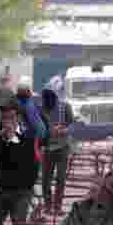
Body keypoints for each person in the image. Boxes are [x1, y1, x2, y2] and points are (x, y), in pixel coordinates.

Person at [38, 84, 75, 216]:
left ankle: (57, 206)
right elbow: (37, 126)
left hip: (62, 147)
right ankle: (47, 206)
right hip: (47, 148)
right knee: (46, 179)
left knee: (60, 177)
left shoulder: (65, 107)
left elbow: (73, 124)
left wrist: (64, 130)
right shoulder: (42, 109)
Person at [15, 77, 48, 141]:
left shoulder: (13, 102)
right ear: (28, 90)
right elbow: (40, 128)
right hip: (30, 139)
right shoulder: (30, 105)